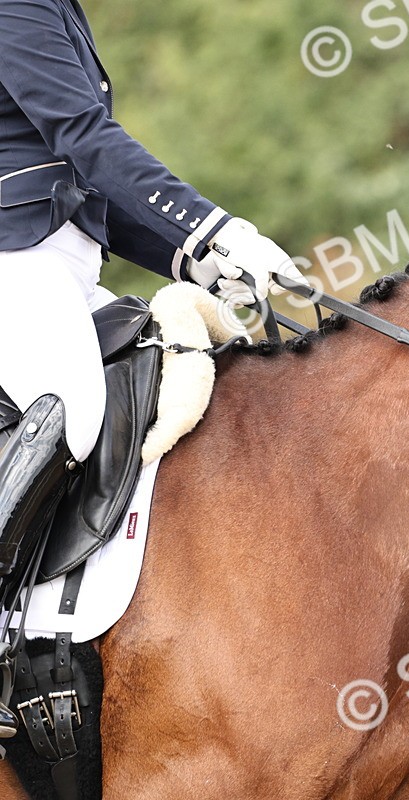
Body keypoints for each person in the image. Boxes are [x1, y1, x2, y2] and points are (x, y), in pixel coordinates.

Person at [0, 0, 310, 735]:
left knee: (166, 379)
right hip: (11, 257)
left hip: (55, 262)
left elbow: (87, 187)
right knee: (67, 410)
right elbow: (84, 137)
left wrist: (203, 262)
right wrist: (214, 226)